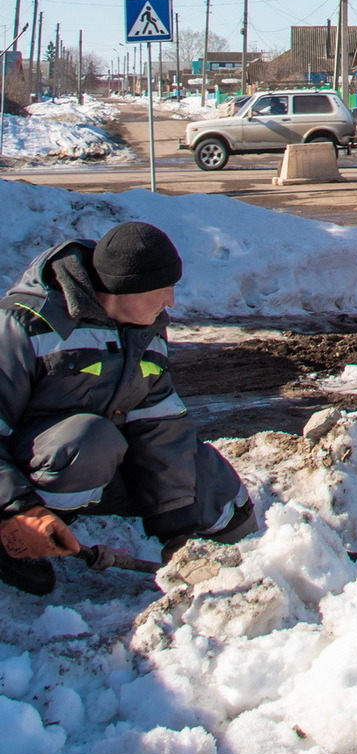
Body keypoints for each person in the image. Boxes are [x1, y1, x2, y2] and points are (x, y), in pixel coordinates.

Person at [0, 222, 255, 596]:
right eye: (162, 289)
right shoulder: (27, 324)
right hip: (34, 473)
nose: (171, 301)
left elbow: (160, 423)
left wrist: (178, 533)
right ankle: (15, 543)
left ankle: (252, 562)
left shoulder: (146, 329)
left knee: (208, 478)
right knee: (90, 440)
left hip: (96, 467)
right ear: (124, 287)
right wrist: (18, 509)